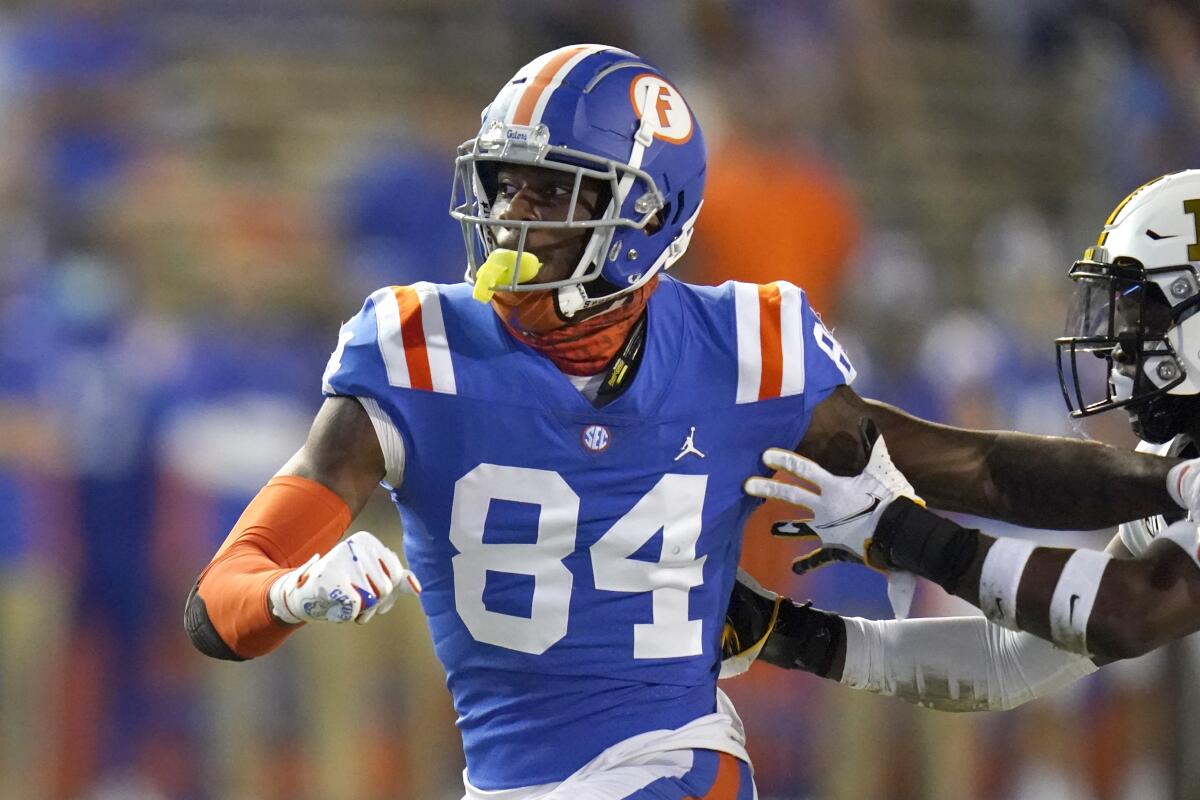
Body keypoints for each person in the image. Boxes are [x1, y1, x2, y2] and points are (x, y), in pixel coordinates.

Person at [184, 45, 1184, 798]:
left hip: (673, 760)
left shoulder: (745, 347)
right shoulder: (415, 348)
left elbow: (968, 466)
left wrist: (1161, 479)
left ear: (648, 216)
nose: (513, 218)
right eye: (506, 184)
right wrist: (291, 591)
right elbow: (217, 600)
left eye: (555, 191)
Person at [723, 170, 1200, 712]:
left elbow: (1125, 613)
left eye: (1139, 313)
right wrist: (785, 633)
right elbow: (1007, 660)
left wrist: (905, 531)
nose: (1116, 345)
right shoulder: (1175, 465)